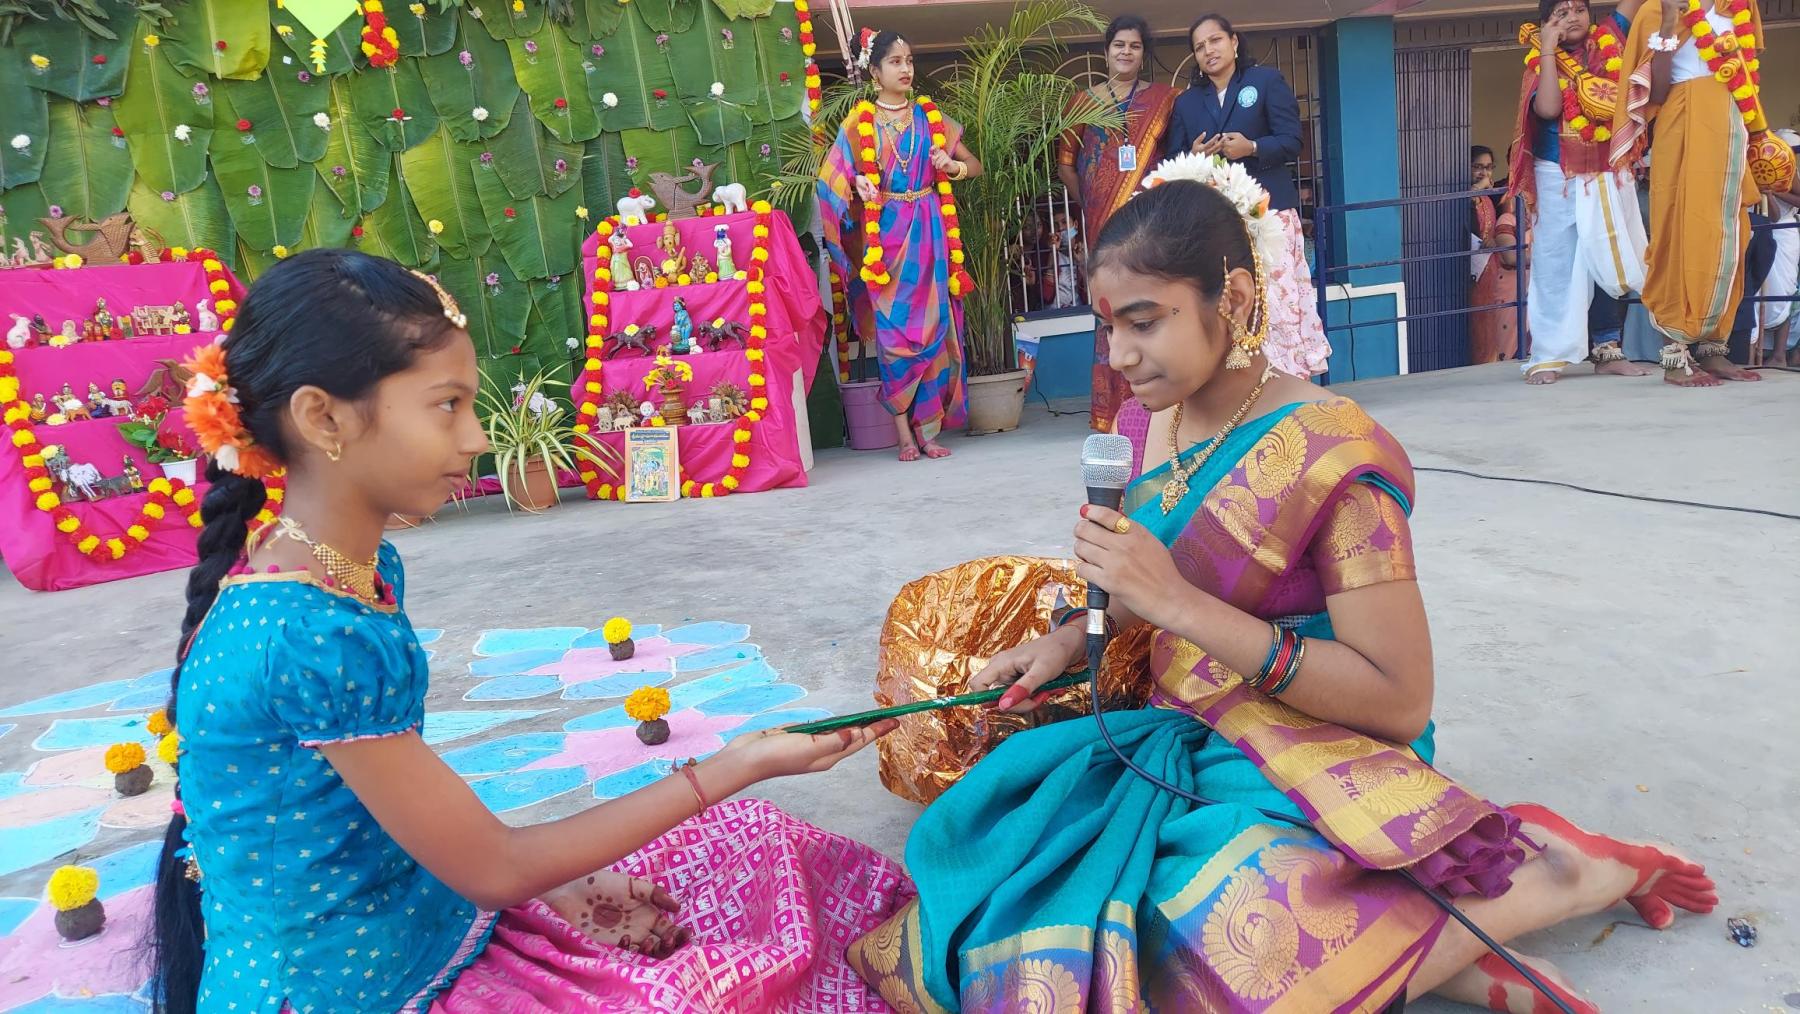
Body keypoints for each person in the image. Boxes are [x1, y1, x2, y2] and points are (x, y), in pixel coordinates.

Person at [846, 175, 1716, 1012]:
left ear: (1230, 297)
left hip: (1319, 738)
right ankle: (1444, 952)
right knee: (992, 852)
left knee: (1218, 924)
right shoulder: (1148, 420)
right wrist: (1068, 639)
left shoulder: (1334, 453)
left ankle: (1563, 872)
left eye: (1145, 322)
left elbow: (1400, 701)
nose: (1118, 356)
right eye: (1111, 326)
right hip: (1182, 722)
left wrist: (1182, 608)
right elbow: (1149, 580)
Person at [147, 249, 907, 1012]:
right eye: (448, 405)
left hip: (429, 917)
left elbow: (384, 822)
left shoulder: (354, 572)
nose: (477, 437)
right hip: (356, 992)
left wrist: (560, 888)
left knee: (763, 848)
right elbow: (496, 868)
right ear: (324, 418)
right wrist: (738, 763)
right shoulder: (306, 630)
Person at [818, 28, 983, 461]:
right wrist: (857, 182)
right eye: (895, 61)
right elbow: (829, 179)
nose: (906, 68)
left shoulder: (931, 117)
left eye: (909, 60)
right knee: (894, 337)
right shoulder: (859, 123)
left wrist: (951, 166)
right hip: (886, 240)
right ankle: (903, 435)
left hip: (930, 234)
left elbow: (974, 165)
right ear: (875, 71)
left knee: (934, 328)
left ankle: (928, 431)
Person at [1612, 0, 1770, 386]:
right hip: (1683, 127)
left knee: (1731, 237)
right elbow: (1657, 91)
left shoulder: (1740, 6)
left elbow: (1747, 77)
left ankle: (1713, 349)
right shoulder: (1656, 10)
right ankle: (1674, 354)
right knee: (1681, 235)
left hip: (1731, 130)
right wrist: (1669, 21)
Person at [1167, 13, 1330, 379]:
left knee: (1278, 299)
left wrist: (1252, 147)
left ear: (1234, 41)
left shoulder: (1265, 81)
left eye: (1215, 40)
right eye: (1199, 47)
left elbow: (1292, 140)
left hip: (1270, 213)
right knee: (1233, 301)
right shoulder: (1187, 103)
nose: (1209, 50)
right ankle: (1243, 384)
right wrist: (1194, 155)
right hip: (1217, 220)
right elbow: (1173, 159)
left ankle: (1291, 380)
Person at [1506, 0, 1655, 384]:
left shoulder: (1610, 38)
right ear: (1545, 23)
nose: (1572, 17)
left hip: (1607, 171)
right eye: (1561, 13)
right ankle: (1548, 355)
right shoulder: (1539, 61)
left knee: (1607, 257)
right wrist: (1548, 48)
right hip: (1557, 175)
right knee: (1556, 265)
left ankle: (1608, 349)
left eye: (1578, 10)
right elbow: (1548, 109)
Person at [1057, 13, 1180, 431]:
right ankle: (1111, 411)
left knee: (1150, 307)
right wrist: (1095, 204)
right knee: (1111, 312)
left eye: (1135, 46)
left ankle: (1160, 405)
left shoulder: (1165, 100)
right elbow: (1066, 165)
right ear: (1106, 51)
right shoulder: (1082, 102)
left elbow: (1174, 159)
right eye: (1119, 45)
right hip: (1102, 227)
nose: (1126, 52)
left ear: (1144, 54)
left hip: (1150, 227)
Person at [1472, 202, 1527, 363]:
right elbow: (1511, 257)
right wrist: (1548, 259)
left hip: (1539, 287)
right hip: (1511, 289)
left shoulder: (1548, 220)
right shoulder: (1508, 220)